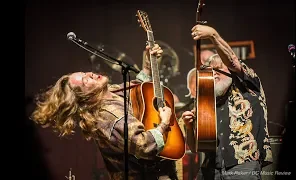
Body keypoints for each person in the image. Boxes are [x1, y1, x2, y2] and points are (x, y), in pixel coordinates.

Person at [30, 44, 179, 180]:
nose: (90, 74)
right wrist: (164, 123)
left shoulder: (111, 92)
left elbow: (136, 90)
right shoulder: (107, 116)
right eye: (85, 81)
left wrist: (148, 64)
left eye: (85, 72)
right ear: (85, 97)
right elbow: (144, 145)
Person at [181, 24, 273, 180]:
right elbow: (195, 147)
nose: (214, 75)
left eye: (218, 69)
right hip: (211, 168)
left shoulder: (249, 84)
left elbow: (232, 61)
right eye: (211, 71)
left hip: (243, 164)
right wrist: (189, 127)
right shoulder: (208, 102)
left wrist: (214, 35)